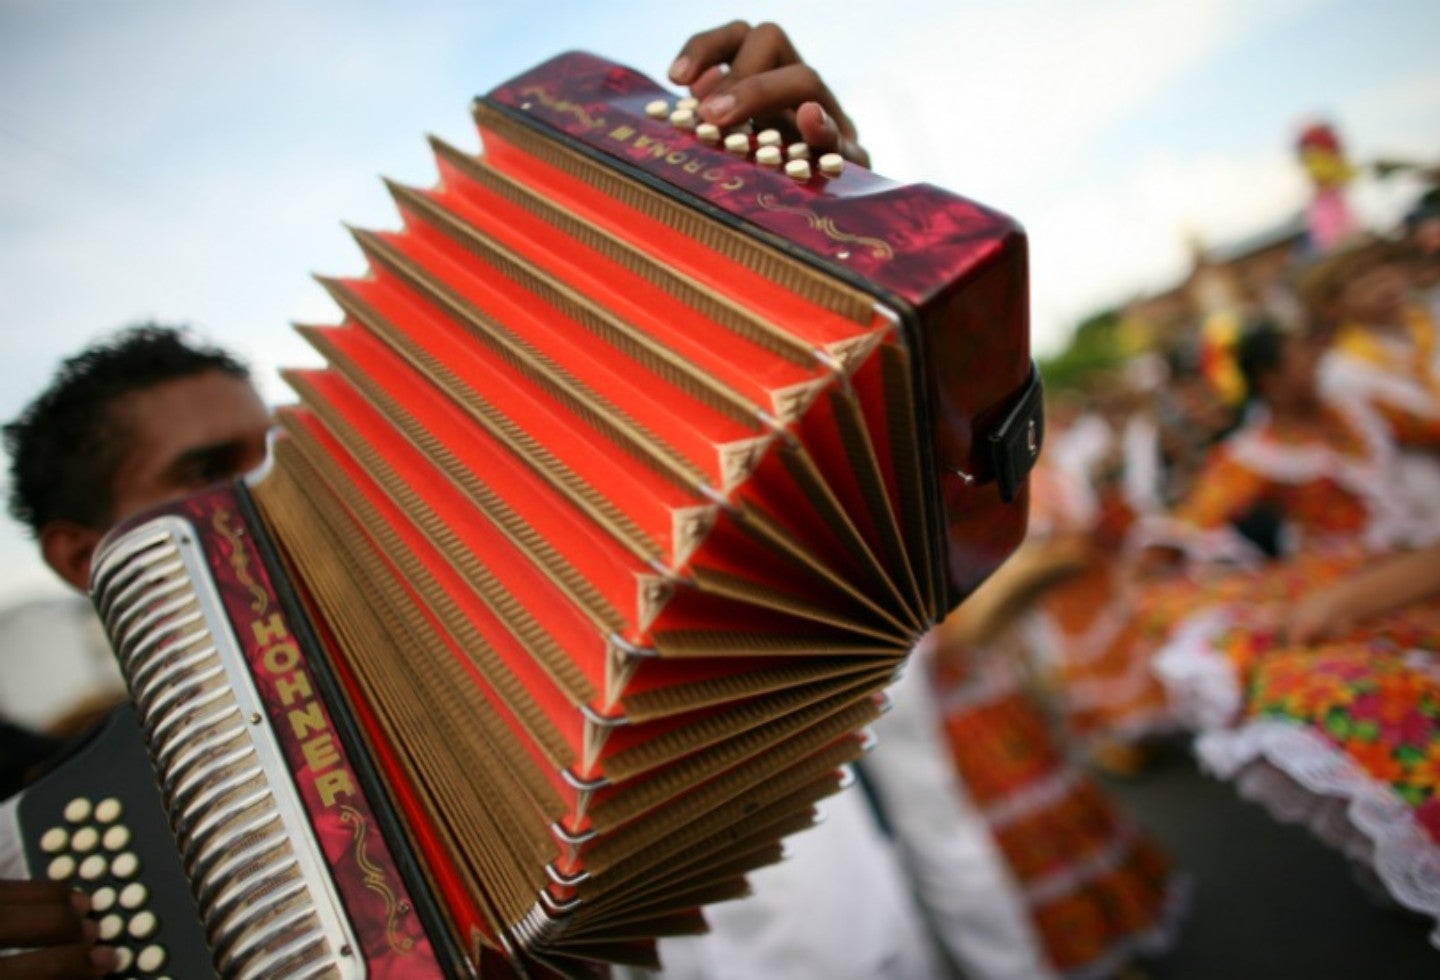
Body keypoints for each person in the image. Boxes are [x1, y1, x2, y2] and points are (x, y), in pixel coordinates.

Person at [0, 324, 271, 978]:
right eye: (207, 472)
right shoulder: (27, 853)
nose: (268, 490)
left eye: (274, 457)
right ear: (87, 557)